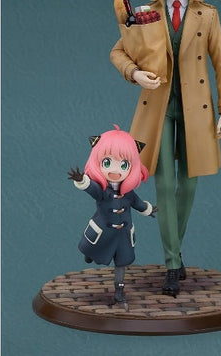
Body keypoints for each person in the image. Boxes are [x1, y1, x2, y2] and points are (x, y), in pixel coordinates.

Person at [110, 0, 221, 296]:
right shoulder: (146, 13)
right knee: (164, 185)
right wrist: (135, 73)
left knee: (189, 184)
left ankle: (174, 250)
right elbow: (118, 51)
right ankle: (171, 263)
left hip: (197, 108)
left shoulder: (207, 14)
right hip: (160, 107)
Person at [67, 125, 157, 305]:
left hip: (123, 235)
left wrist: (147, 209)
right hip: (103, 231)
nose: (115, 170)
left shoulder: (128, 193)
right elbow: (92, 189)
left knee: (121, 262)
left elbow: (138, 203)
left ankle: (119, 291)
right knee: (91, 248)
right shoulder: (102, 190)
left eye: (124, 165)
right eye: (107, 163)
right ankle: (90, 254)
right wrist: (82, 181)